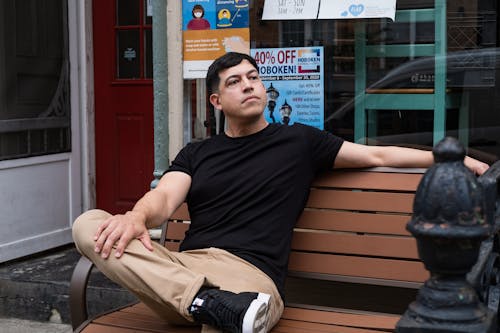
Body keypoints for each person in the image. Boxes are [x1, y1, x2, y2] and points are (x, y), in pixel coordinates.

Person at [72, 52, 489, 333]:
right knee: (89, 224)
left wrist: (447, 160)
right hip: (186, 272)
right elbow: (163, 201)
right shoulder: (198, 153)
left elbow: (377, 153)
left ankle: (210, 305)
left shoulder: (300, 142)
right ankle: (204, 302)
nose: (250, 86)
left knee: (235, 317)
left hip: (250, 278)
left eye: (254, 77)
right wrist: (135, 218)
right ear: (217, 100)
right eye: (236, 82)